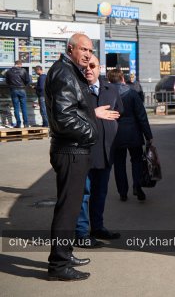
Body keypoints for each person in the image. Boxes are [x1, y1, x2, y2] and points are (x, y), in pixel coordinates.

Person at [44, 33, 116, 281]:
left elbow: (76, 109)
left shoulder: (69, 70)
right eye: (83, 49)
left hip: (73, 149)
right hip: (71, 150)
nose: (87, 54)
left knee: (71, 209)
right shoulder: (64, 73)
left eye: (90, 50)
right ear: (70, 48)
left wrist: (90, 120)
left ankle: (65, 253)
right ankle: (59, 265)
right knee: (67, 210)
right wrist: (92, 132)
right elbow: (64, 117)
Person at [75, 57, 122, 248]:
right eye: (84, 67)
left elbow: (120, 113)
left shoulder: (112, 90)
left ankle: (98, 227)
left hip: (106, 151)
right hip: (83, 152)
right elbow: (67, 116)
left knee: (100, 192)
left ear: (100, 68)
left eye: (92, 66)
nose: (88, 70)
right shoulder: (75, 90)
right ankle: (81, 233)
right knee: (83, 194)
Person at [111, 69, 153, 202]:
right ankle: (137, 185)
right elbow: (142, 116)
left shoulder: (108, 94)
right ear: (122, 78)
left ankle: (123, 192)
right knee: (137, 160)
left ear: (110, 80)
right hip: (133, 133)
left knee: (119, 163)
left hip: (115, 134)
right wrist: (148, 136)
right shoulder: (132, 93)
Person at [5, 59, 31, 128]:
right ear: (20, 64)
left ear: (15, 64)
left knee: (16, 108)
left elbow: (7, 82)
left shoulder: (8, 71)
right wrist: (24, 86)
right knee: (24, 107)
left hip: (13, 90)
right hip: (22, 90)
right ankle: (26, 124)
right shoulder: (23, 70)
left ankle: (18, 124)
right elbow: (27, 80)